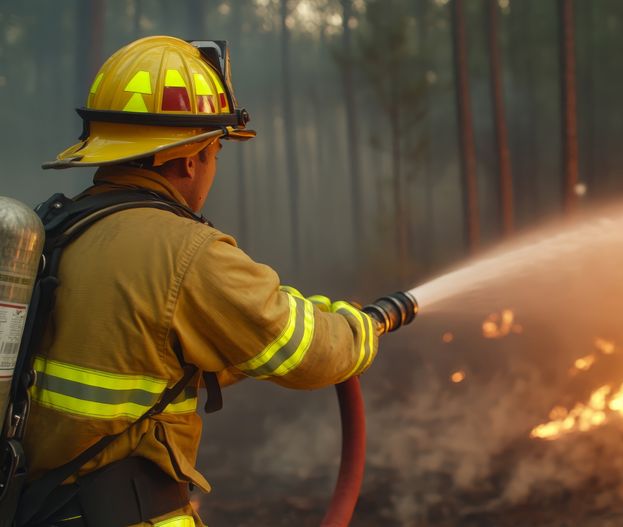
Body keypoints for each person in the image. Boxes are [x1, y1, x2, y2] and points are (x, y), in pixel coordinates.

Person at [22, 36, 377, 526]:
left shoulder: (55, 229)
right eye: (216, 152)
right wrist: (360, 329)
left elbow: (148, 351)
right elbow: (311, 354)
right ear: (191, 157)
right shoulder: (187, 252)